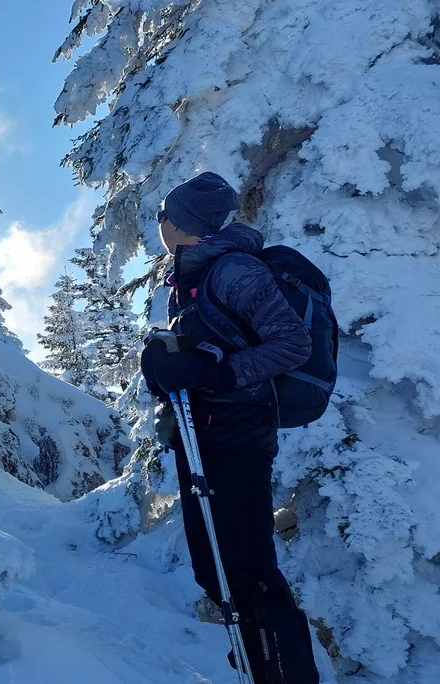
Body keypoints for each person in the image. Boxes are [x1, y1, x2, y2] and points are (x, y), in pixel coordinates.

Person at [140, 172, 321, 684]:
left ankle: (282, 671)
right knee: (215, 569)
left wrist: (211, 373)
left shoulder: (235, 271)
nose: (159, 224)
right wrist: (168, 368)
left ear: (180, 223)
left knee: (248, 570)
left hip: (238, 438)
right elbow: (211, 354)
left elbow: (291, 345)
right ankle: (256, 659)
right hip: (206, 435)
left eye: (162, 216)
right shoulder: (192, 281)